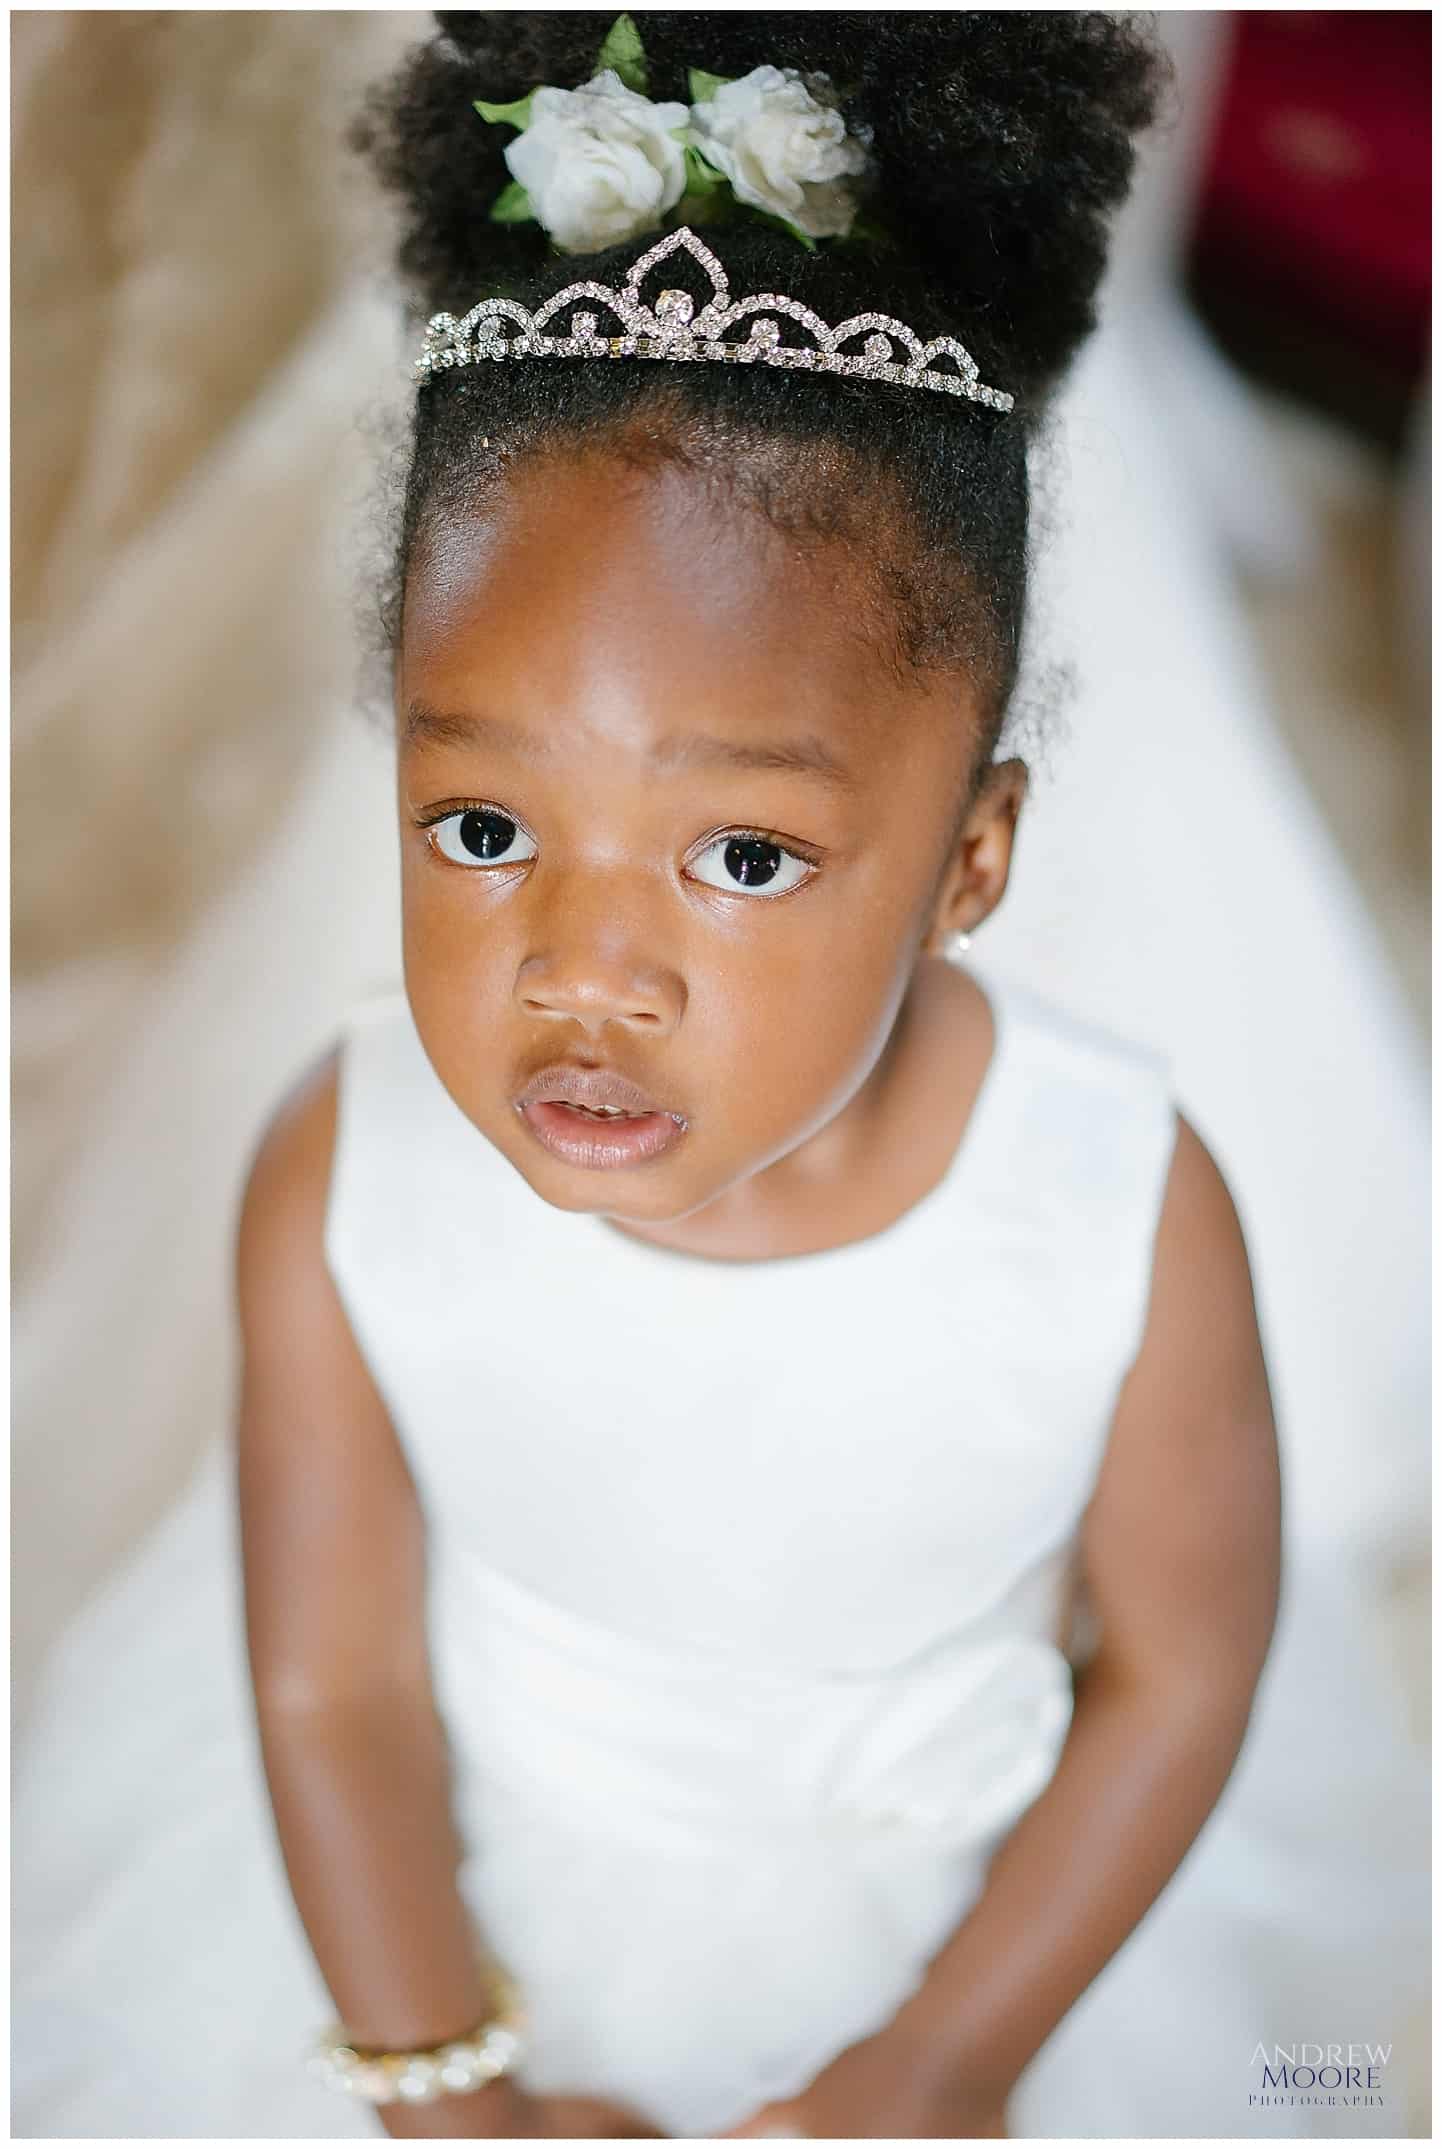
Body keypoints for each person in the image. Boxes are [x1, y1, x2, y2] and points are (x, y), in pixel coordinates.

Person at [11, 13, 1424, 2141]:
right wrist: (442, 2089)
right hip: (455, 1924)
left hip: (964, 1954)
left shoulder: (1119, 1202)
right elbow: (332, 1678)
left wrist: (945, 2057)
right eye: (482, 829)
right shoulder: (341, 1167)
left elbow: (1183, 1667)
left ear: (971, 861)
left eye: (743, 857)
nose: (584, 964)